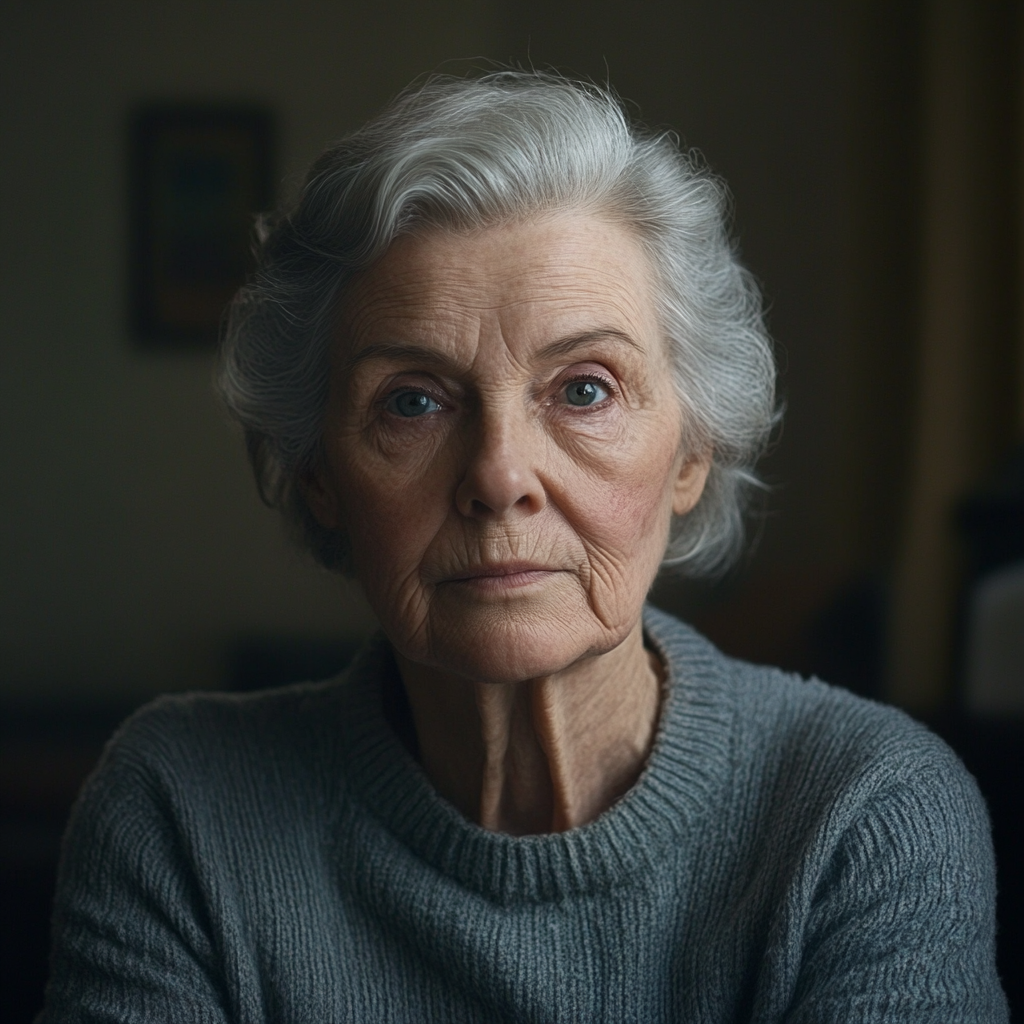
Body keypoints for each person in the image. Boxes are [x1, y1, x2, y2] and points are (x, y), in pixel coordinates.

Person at [40, 71, 1007, 1022]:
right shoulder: (176, 811)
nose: (500, 473)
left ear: (692, 451)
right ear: (318, 474)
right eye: (412, 402)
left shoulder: (868, 815)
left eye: (585, 388)